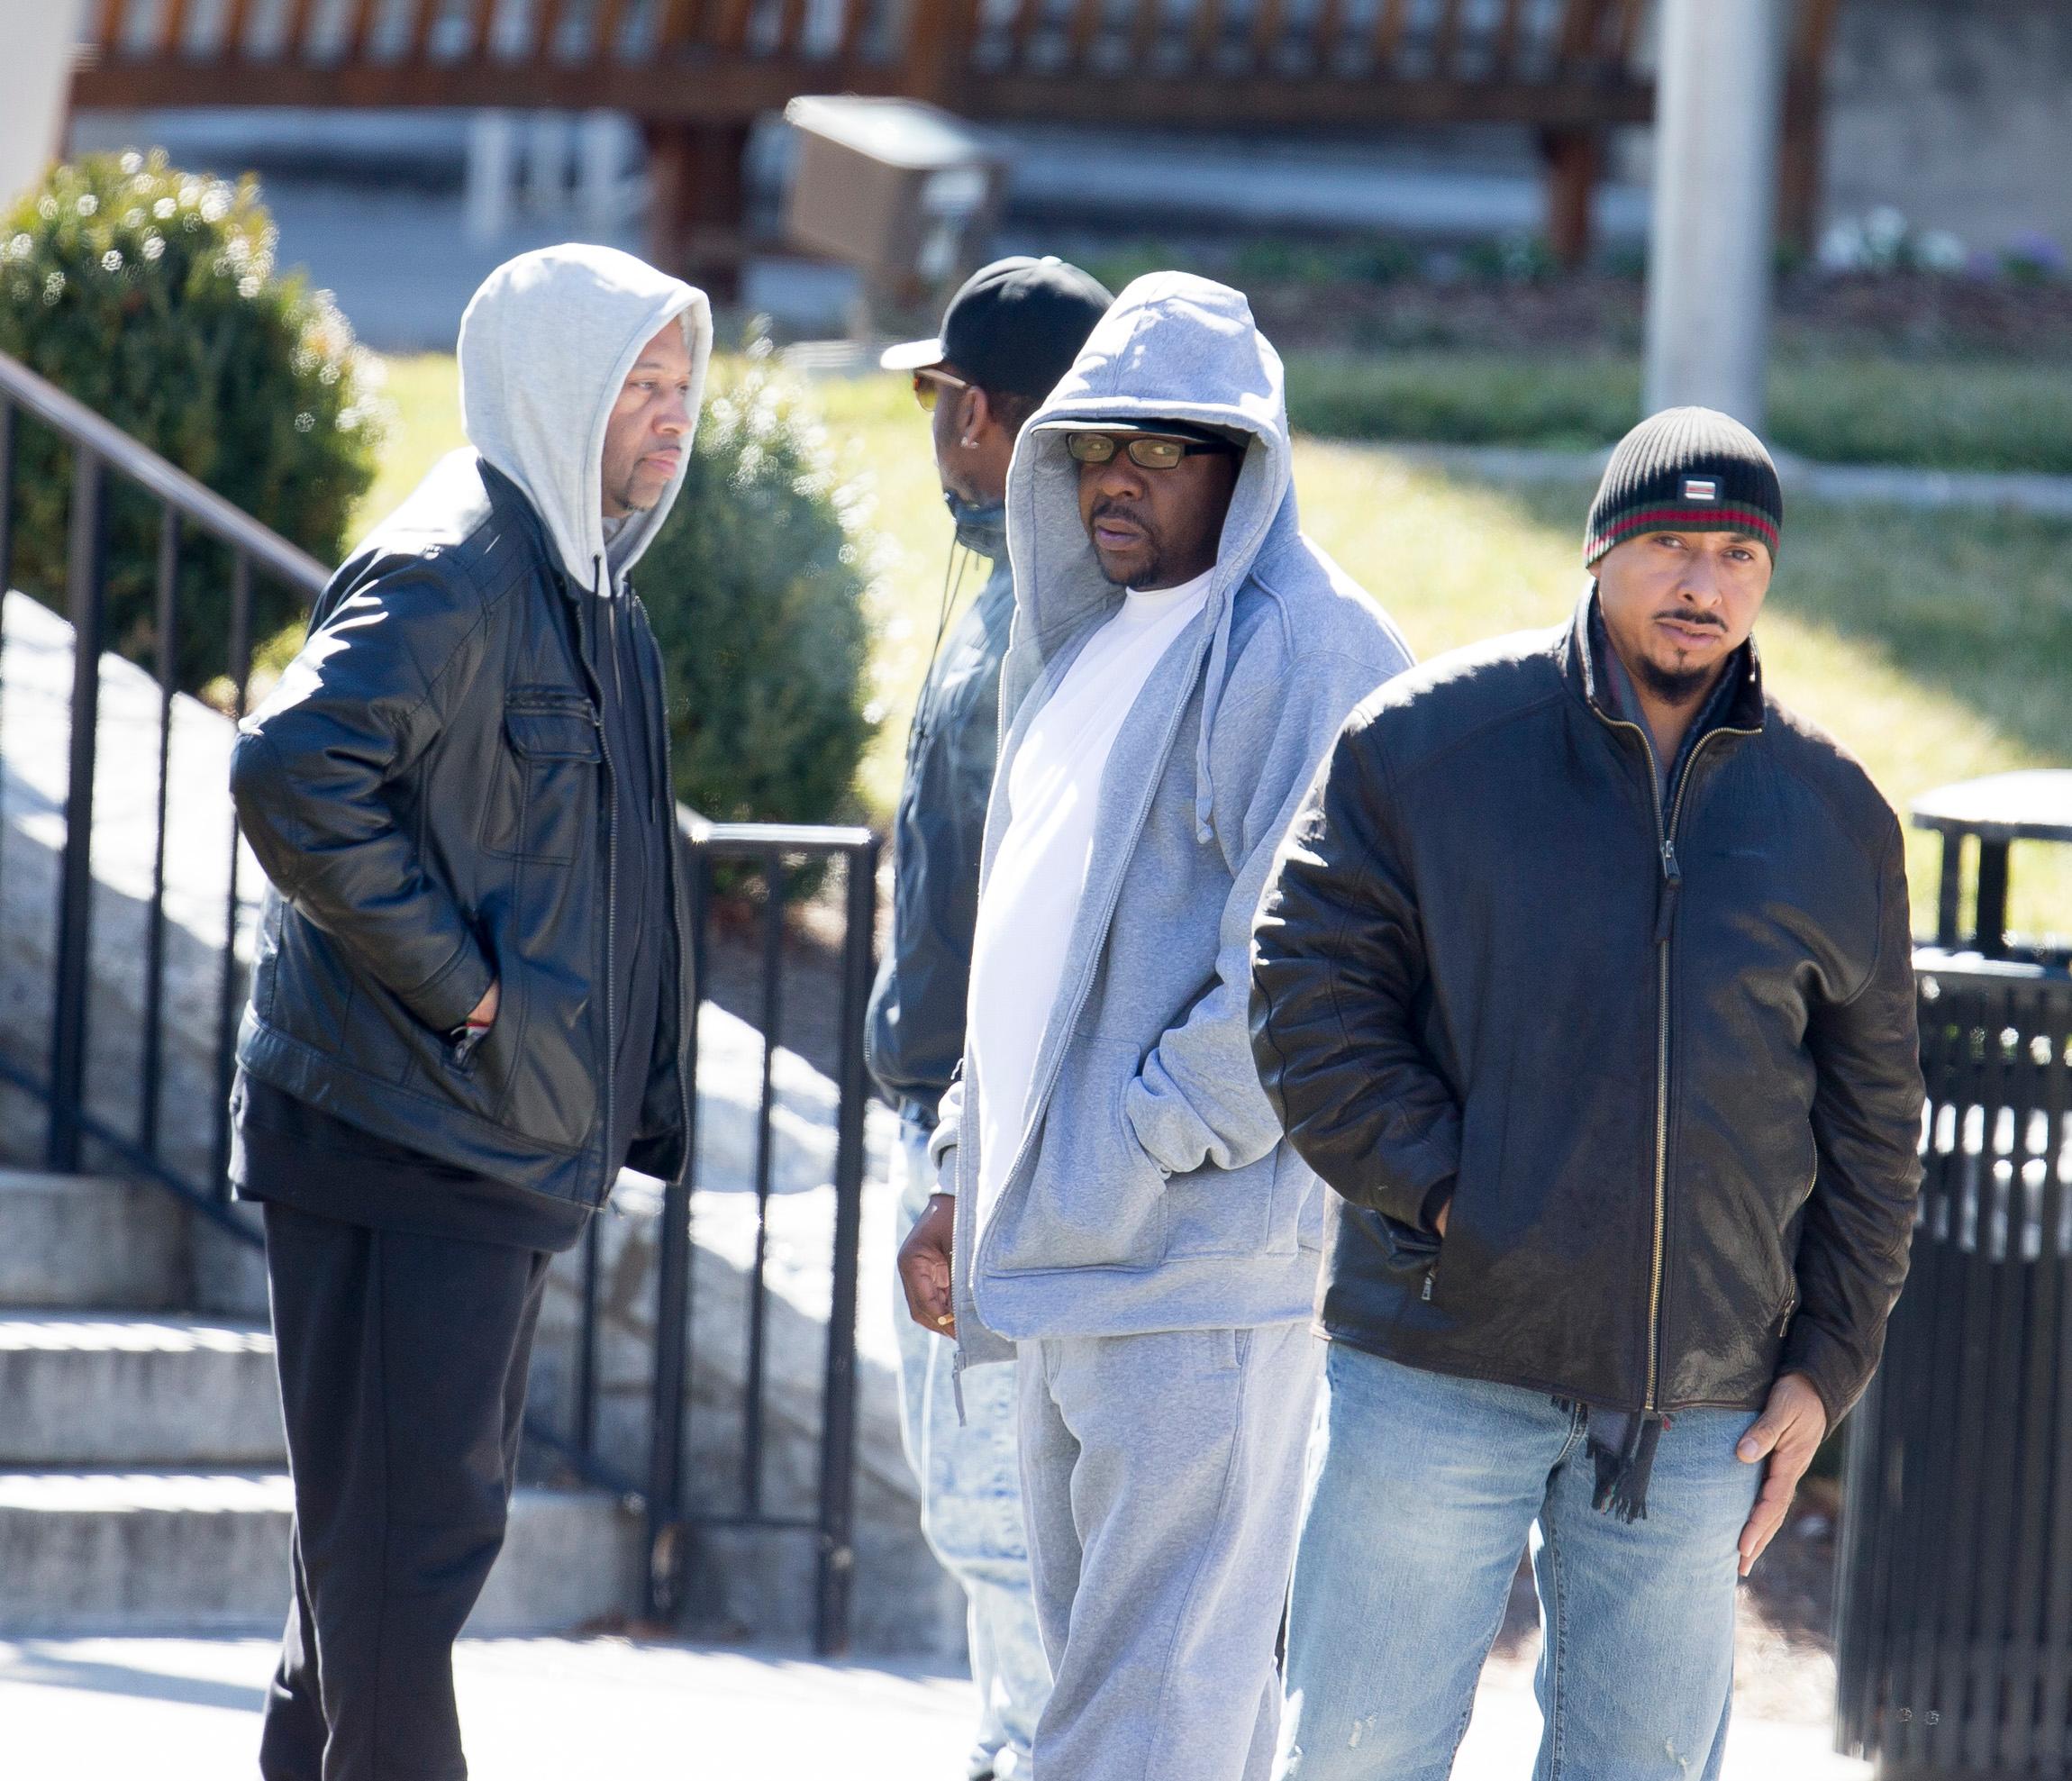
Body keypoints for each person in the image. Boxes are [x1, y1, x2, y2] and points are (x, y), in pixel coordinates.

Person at [1250, 407, 1925, 1781]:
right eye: (1670, 545)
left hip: (1699, 1406)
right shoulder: (1428, 751)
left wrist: (1828, 1360)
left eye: (1738, 554)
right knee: (1354, 1758)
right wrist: (1458, 1195)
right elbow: (1307, 998)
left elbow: (1874, 1124)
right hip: (1438, 1360)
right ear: (1600, 550)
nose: (1703, 583)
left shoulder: (1834, 816)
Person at [897, 271, 1413, 1781]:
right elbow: (1024, 942)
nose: (1118, 472)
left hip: (1192, 1273)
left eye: (1167, 447)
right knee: (1160, 1709)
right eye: (1096, 441)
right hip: (1055, 1258)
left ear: (1244, 460)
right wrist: (958, 1163)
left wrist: (1133, 1143)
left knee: (1138, 1719)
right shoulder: (1076, 644)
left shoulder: (1312, 648)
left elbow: (1318, 967)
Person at [228, 243, 708, 1780]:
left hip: (482, 1145)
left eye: (683, 381)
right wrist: (472, 993)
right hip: (404, 1135)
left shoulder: (589, 586)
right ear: (558, 388)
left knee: (370, 1578)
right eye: (638, 381)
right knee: (400, 1571)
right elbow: (292, 771)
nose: (670, 413)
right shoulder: (461, 566)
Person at [869, 254, 1113, 1781]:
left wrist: (962, 1169)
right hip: (977, 1131)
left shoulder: (1043, 624)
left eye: (939, 398)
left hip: (988, 1147)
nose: (933, 428)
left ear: (981, 413)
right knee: (997, 1532)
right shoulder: (1038, 593)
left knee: (1001, 1521)